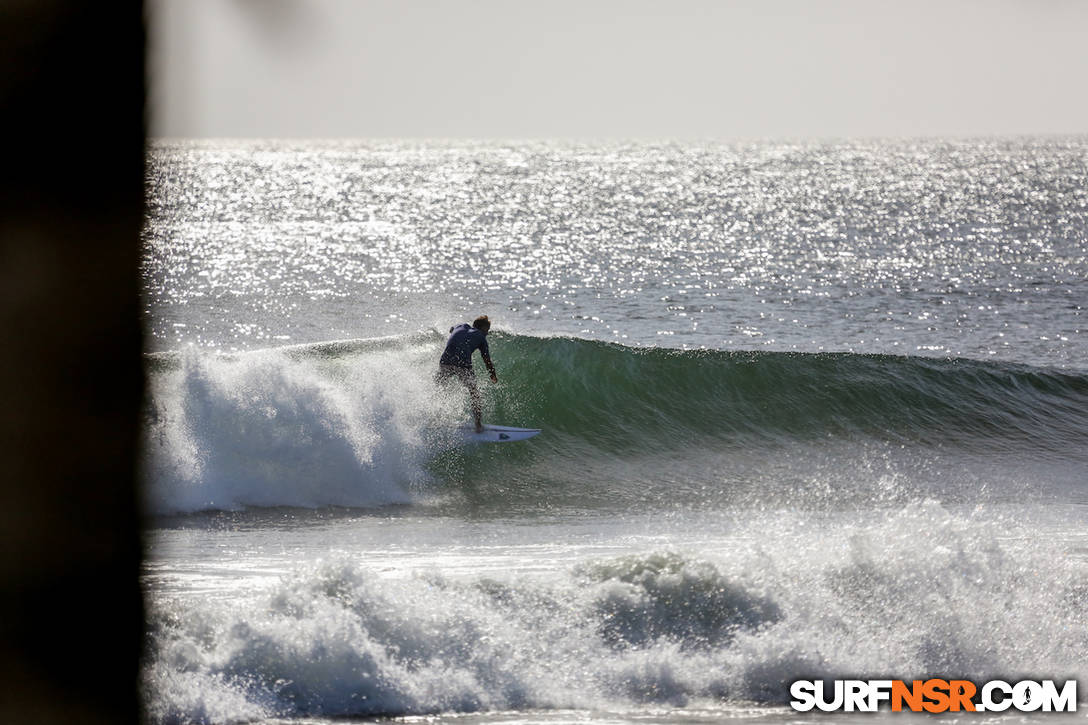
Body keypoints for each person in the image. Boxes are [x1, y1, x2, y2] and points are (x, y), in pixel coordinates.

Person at [438, 315, 498, 433]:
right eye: (487, 330)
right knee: (474, 393)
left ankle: (435, 418)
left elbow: (451, 329)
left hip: (445, 361)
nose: (487, 333)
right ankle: (478, 426)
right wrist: (493, 375)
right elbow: (487, 360)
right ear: (481, 328)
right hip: (463, 365)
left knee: (440, 388)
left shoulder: (460, 325)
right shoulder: (481, 337)